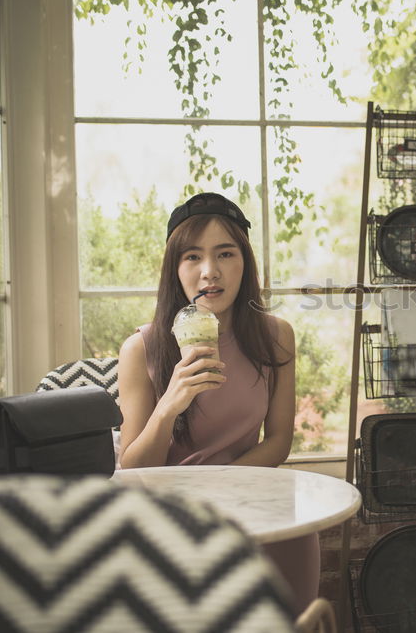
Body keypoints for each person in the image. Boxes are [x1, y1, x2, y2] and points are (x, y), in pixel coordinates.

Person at [117, 191, 318, 613]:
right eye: (193, 257)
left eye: (225, 253)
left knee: (295, 563)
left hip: (256, 504)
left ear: (244, 263)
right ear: (176, 269)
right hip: (174, 517)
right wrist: (170, 403)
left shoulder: (276, 335)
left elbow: (279, 442)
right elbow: (133, 468)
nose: (210, 271)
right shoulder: (142, 348)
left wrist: (224, 494)